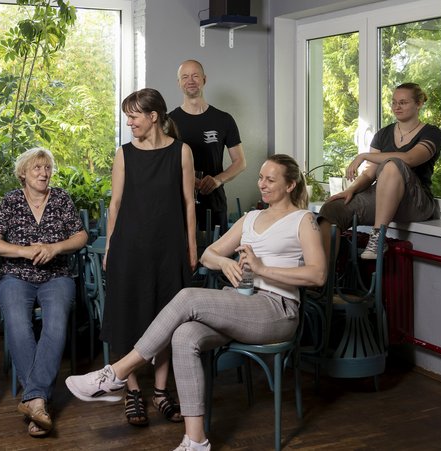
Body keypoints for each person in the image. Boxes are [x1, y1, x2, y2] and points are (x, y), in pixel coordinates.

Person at [66, 154, 327, 451]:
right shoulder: (251, 218)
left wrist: (262, 269)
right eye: (260, 177)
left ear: (291, 184)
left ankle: (115, 373)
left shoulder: (302, 220)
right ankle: (196, 440)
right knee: (184, 334)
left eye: (270, 179)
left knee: (188, 296)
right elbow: (208, 255)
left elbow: (318, 274)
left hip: (277, 310)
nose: (262, 184)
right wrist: (225, 264)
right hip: (241, 303)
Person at [100, 88, 197, 427]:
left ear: (153, 116)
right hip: (129, 249)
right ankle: (133, 392)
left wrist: (191, 249)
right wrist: (110, 248)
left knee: (167, 322)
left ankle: (160, 392)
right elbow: (115, 205)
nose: (130, 122)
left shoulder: (182, 152)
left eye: (134, 115)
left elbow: (188, 203)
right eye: (128, 116)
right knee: (129, 318)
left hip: (169, 250)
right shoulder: (124, 154)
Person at [0, 147, 87, 437]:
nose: (43, 173)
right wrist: (22, 251)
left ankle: (33, 400)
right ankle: (39, 401)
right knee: (17, 323)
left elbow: (80, 235)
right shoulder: (11, 201)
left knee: (56, 324)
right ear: (23, 174)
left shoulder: (62, 199)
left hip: (57, 276)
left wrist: (55, 248)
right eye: (36, 168)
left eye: (47, 168)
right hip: (15, 276)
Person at [318, 82, 441, 259]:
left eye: (403, 102)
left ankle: (377, 238)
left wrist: (363, 156)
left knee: (393, 164)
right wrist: (350, 190)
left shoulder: (431, 132)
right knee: (332, 210)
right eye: (394, 102)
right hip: (384, 197)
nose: (397, 107)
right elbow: (370, 174)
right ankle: (323, 277)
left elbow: (409, 158)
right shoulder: (383, 134)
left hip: (416, 202)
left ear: (419, 104)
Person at [170, 59, 246, 233]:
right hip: (179, 203)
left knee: (215, 257)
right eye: (185, 77)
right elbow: (164, 163)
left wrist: (217, 180)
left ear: (204, 79)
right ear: (179, 83)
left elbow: (240, 162)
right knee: (183, 258)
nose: (190, 80)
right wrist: (190, 179)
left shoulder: (224, 119)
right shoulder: (169, 122)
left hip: (214, 202)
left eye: (195, 76)